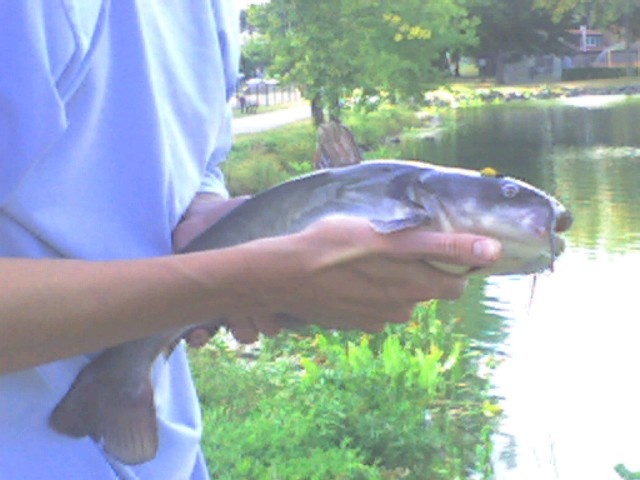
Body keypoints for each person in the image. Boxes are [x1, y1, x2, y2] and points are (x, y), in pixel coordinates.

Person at [0, 1, 502, 479]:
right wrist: (236, 282)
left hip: (162, 453)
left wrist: (213, 223)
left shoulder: (214, 10)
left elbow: (198, 169)